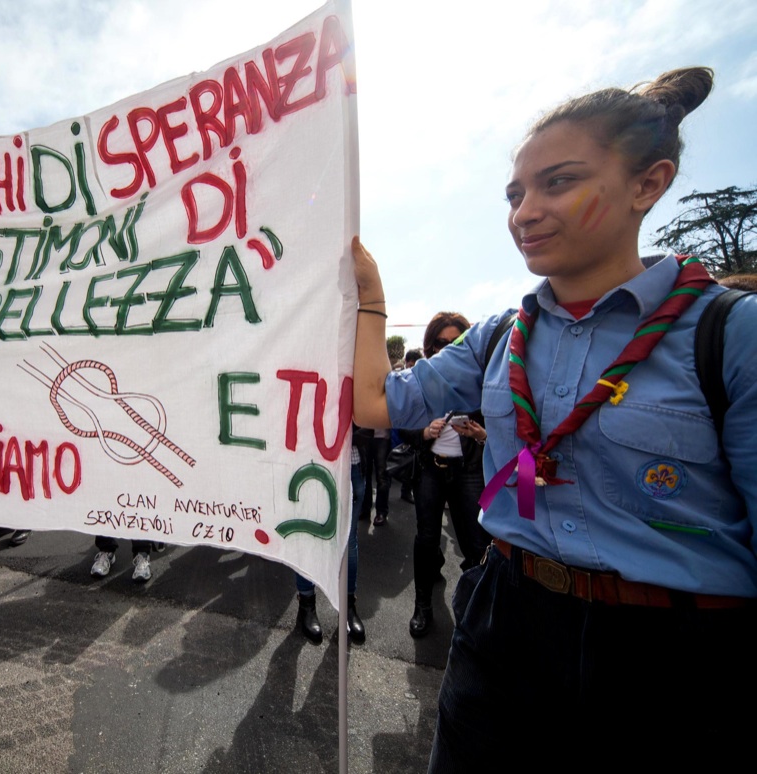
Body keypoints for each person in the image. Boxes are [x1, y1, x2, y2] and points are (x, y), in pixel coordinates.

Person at [350, 68, 757, 771]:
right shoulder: (498, 337)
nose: (525, 212)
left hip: (677, 657)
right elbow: (378, 404)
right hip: (506, 616)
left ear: (647, 185)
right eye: (515, 194)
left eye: (558, 183)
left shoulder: (730, 333)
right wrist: (369, 295)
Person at [397, 313, 491, 638]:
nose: (448, 348)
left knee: (476, 543)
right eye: (441, 343)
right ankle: (422, 607)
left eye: (456, 342)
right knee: (426, 538)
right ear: (430, 346)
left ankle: (476, 613)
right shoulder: (418, 380)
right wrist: (424, 432)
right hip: (429, 470)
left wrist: (481, 434)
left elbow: (503, 429)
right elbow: (402, 426)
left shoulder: (480, 380)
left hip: (467, 472)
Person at [295, 438, 365, 645]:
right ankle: (306, 604)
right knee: (305, 537)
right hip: (307, 459)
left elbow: (371, 424)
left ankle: (348, 606)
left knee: (348, 543)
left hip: (348, 463)